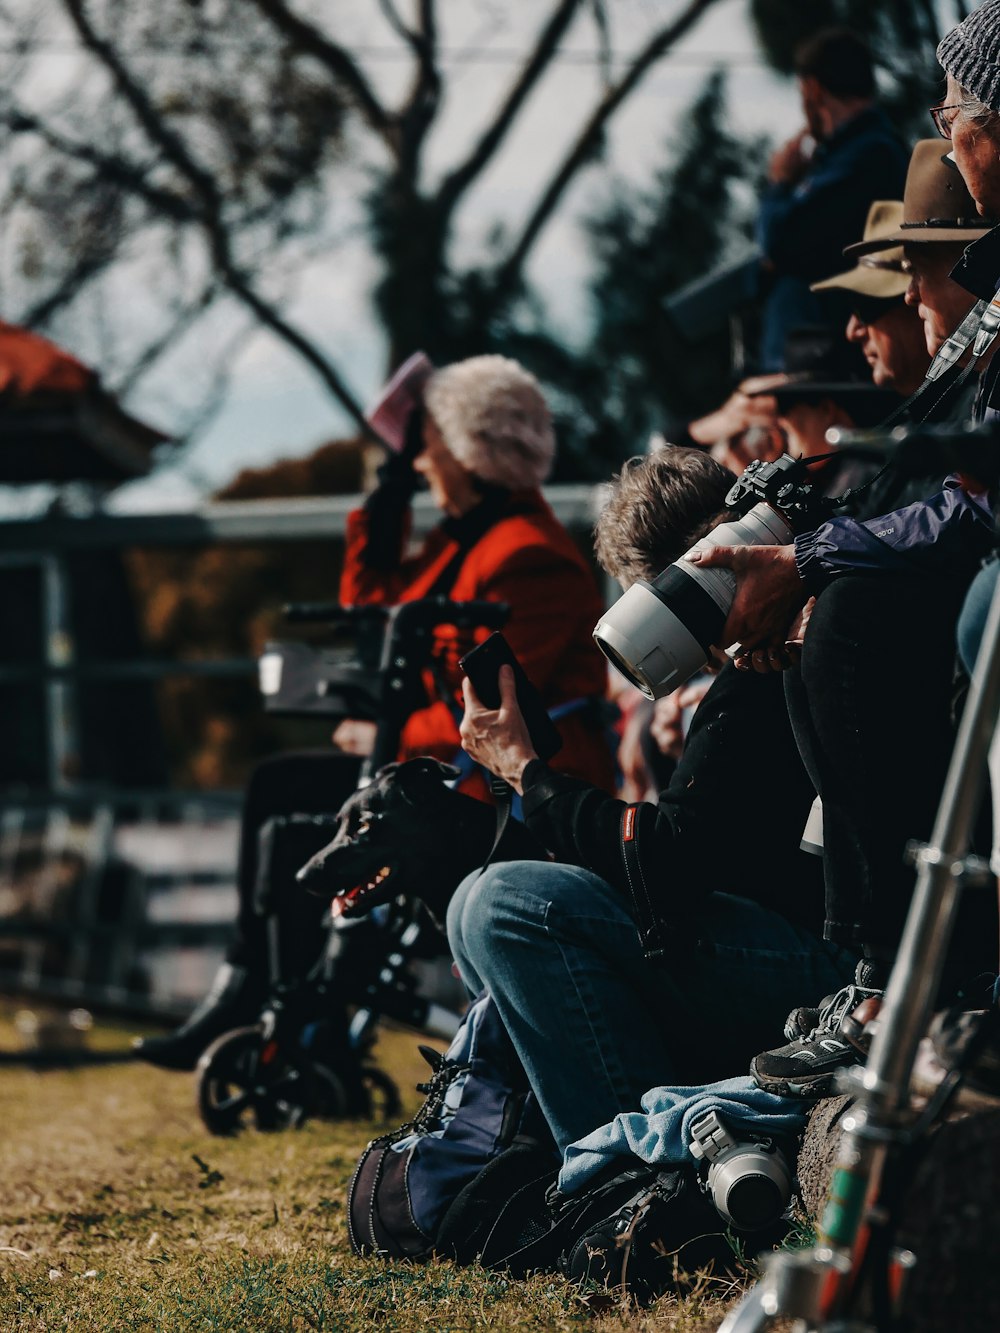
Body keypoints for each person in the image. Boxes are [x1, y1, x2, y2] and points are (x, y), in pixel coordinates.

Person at [135, 354, 615, 1072]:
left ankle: (275, 997)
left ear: (466, 448)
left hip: (492, 786)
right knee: (282, 786)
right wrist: (382, 506)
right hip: (438, 766)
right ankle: (261, 986)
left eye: (425, 443)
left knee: (289, 794)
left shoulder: (527, 554)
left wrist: (383, 733)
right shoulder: (467, 537)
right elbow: (373, 616)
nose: (417, 461)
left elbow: (501, 710)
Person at [448, 450, 859, 1152]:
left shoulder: (774, 656)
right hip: (809, 947)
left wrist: (529, 775)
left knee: (507, 905)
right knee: (475, 905)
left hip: (837, 972)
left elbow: (669, 862)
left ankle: (621, 1171)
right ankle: (615, 1145)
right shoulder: (763, 657)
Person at [756, 27, 909, 369]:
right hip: (814, 359)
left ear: (812, 89)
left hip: (829, 366)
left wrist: (779, 184)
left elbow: (779, 242)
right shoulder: (855, 155)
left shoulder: (868, 155)